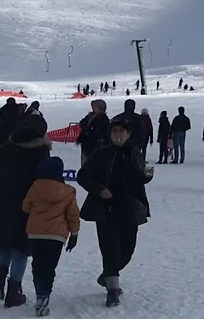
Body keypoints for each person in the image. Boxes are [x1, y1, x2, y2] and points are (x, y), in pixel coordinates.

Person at [77, 116, 153, 308]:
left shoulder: (135, 153)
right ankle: (112, 290)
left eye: (121, 132)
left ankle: (108, 275)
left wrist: (146, 176)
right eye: (114, 131)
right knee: (110, 250)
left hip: (130, 210)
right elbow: (83, 176)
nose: (118, 135)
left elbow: (137, 180)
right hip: (106, 211)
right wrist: (99, 189)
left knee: (127, 251)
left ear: (128, 134)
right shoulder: (101, 154)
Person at [0, 112, 52, 308]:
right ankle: (13, 291)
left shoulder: (8, 146)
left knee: (5, 244)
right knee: (21, 248)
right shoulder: (40, 150)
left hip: (1, 201)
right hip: (26, 204)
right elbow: (43, 180)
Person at [22, 156, 80, 317]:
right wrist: (74, 234)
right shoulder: (68, 192)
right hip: (56, 237)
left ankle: (40, 292)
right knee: (49, 267)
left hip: (35, 234)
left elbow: (25, 207)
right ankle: (45, 294)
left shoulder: (35, 186)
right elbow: (73, 215)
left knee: (38, 265)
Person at [76, 100, 109, 166]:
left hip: (96, 144)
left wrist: (89, 131)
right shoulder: (90, 115)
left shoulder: (103, 117)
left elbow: (101, 130)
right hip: (87, 143)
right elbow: (82, 123)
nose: (93, 108)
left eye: (94, 107)